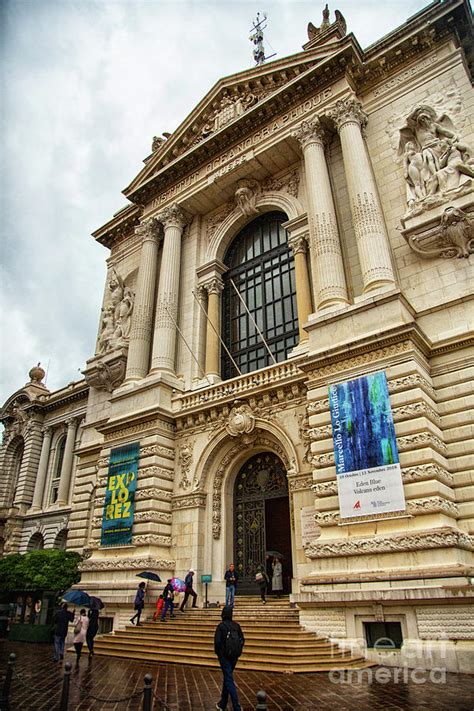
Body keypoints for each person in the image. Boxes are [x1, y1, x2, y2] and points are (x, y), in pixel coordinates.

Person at [214, 606, 244, 711]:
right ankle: (223, 703)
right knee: (228, 677)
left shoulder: (221, 626)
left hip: (224, 657)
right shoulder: (236, 626)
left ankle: (236, 706)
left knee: (229, 679)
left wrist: (220, 654)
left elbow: (217, 643)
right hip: (234, 657)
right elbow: (242, 639)